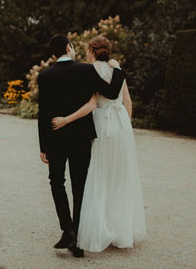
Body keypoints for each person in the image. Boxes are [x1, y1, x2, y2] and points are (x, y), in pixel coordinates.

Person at [51, 36, 146, 252]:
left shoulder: (90, 70)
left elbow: (92, 103)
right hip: (121, 126)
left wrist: (66, 120)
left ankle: (98, 228)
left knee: (98, 176)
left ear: (92, 51)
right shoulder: (116, 69)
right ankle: (121, 229)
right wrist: (125, 127)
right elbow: (127, 101)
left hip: (101, 125)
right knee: (120, 178)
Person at [37, 34, 126, 257]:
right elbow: (112, 92)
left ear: (54, 53)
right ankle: (78, 235)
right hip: (81, 138)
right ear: (68, 47)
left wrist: (43, 145)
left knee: (56, 182)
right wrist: (118, 69)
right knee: (80, 185)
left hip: (56, 137)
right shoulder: (86, 70)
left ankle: (67, 230)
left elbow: (43, 113)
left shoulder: (45, 75)